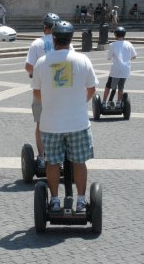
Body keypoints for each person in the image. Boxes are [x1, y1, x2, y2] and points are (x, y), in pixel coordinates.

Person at [32, 20, 98, 212]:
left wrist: (53, 103)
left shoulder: (42, 63)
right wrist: (79, 103)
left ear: (53, 39)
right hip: (77, 122)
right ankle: (80, 200)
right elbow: (92, 88)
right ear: (71, 39)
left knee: (52, 162)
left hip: (50, 123)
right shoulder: (83, 60)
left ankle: (53, 200)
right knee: (79, 161)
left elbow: (37, 94)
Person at [25, 13, 61, 170]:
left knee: (40, 124)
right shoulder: (65, 42)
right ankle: (60, 157)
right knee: (61, 123)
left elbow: (28, 66)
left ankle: (41, 157)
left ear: (44, 27)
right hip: (61, 91)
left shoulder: (37, 43)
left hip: (41, 90)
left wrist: (34, 74)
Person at [101, 26, 137, 109]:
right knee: (121, 87)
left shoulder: (112, 45)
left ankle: (103, 102)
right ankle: (118, 103)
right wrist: (127, 59)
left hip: (115, 70)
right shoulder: (129, 44)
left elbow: (109, 57)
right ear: (124, 35)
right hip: (125, 70)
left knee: (108, 86)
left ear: (115, 35)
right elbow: (134, 56)